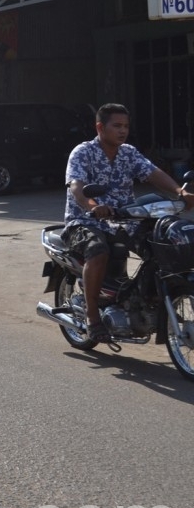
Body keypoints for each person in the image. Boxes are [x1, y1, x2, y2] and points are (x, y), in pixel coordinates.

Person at [63, 102, 194, 343]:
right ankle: (93, 317)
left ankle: (147, 299)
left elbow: (153, 173)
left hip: (126, 220)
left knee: (162, 244)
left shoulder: (128, 153)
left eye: (126, 126)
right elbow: (77, 188)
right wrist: (94, 207)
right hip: (85, 221)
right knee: (98, 250)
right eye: (117, 126)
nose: (122, 131)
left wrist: (180, 192)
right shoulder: (83, 152)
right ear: (101, 127)